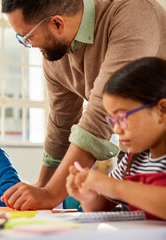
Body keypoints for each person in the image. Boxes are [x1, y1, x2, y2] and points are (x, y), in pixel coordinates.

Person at [1, 0, 166, 210]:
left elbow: (99, 114)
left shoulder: (133, 12)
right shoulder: (54, 51)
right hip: (136, 154)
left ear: (57, 24)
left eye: (27, 37)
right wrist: (42, 187)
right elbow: (61, 125)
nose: (29, 44)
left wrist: (51, 193)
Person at [66, 57, 166, 220]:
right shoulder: (134, 160)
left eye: (122, 118)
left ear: (162, 110)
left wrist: (115, 187)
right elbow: (105, 204)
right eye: (113, 120)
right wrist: (89, 195)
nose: (116, 129)